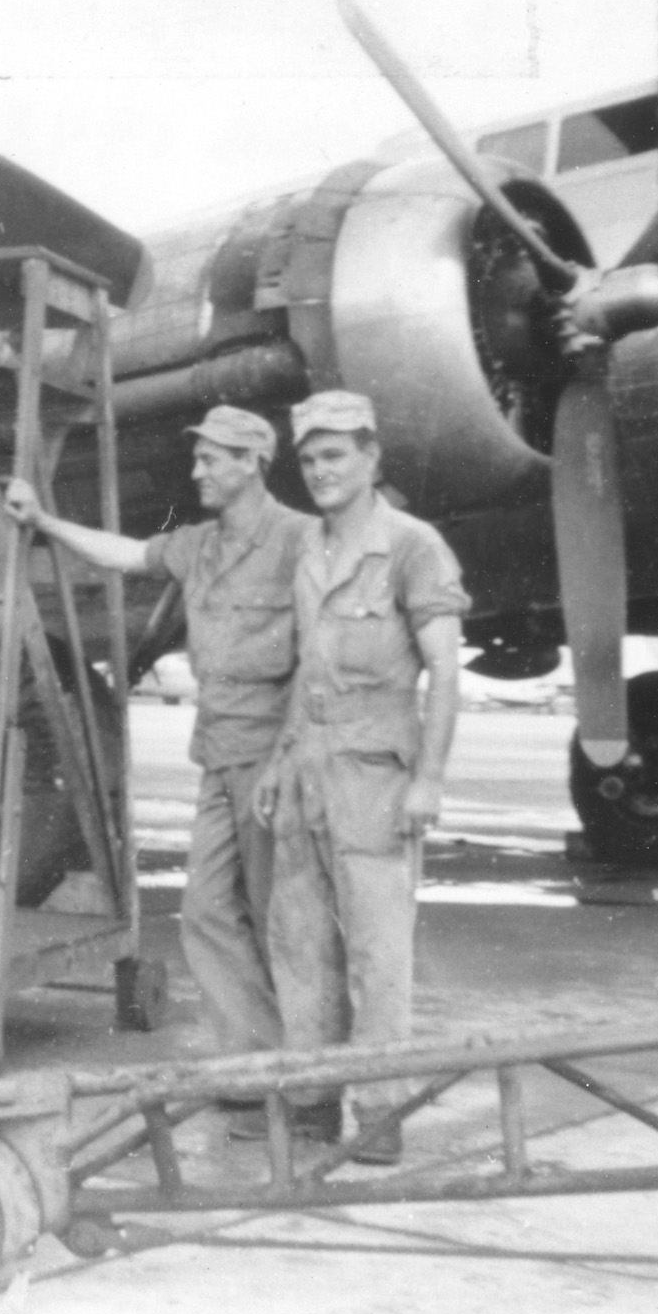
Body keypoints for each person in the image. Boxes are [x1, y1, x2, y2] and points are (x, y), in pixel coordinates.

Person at [6, 405, 315, 1128]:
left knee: (286, 922)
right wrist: (45, 522)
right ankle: (251, 1063)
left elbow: (319, 656)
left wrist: (291, 756)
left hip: (277, 758)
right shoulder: (200, 544)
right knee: (207, 908)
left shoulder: (301, 540)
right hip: (217, 754)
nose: (198, 470)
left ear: (249, 463)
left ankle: (310, 1087)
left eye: (211, 459)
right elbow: (124, 553)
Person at [256, 390, 468, 1163]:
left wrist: (431, 780)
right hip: (308, 771)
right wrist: (281, 759)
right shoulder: (310, 549)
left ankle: (378, 1117)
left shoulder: (414, 547)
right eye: (309, 458)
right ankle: (312, 1102)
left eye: (336, 454)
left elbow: (445, 673)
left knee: (379, 957)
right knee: (302, 944)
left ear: (372, 456)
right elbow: (305, 670)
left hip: (377, 776)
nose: (320, 470)